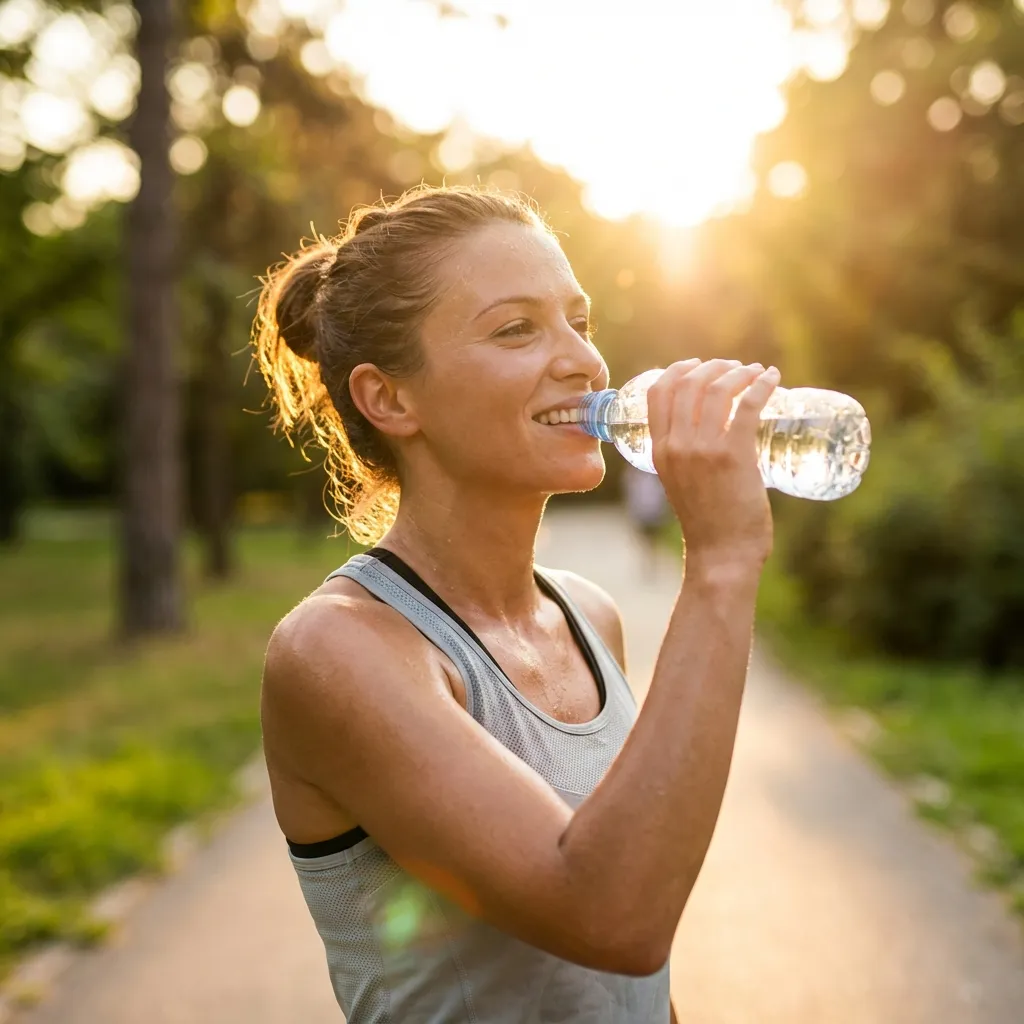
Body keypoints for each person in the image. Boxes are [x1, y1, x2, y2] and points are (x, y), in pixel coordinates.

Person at [254, 184, 778, 1023]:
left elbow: (629, 978)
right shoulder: (338, 651)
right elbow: (611, 917)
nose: (583, 360)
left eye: (580, 320)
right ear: (390, 399)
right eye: (516, 329)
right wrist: (719, 559)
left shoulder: (586, 615)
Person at [621, 463, 671, 578]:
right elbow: (631, 495)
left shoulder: (654, 478)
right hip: (642, 512)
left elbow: (662, 496)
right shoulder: (634, 477)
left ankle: (653, 561)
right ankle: (650, 561)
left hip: (653, 512)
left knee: (654, 539)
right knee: (646, 540)